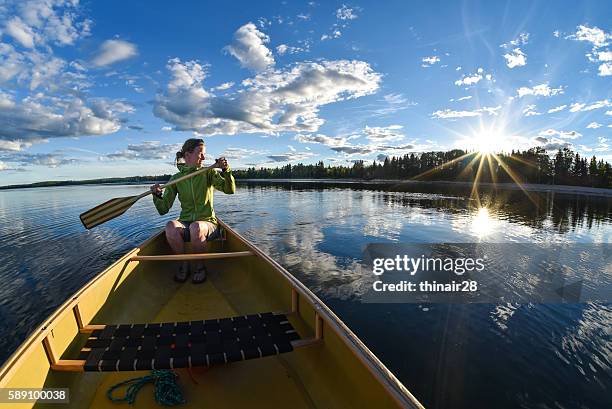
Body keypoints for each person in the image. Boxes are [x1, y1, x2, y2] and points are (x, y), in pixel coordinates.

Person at [150, 138, 235, 283]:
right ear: (188, 155)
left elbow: (229, 190)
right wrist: (157, 195)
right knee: (170, 226)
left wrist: (226, 171)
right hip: (186, 223)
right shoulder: (176, 179)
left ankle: (200, 267)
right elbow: (163, 209)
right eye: (200, 153)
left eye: (204, 154)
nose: (204, 157)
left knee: (196, 227)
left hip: (208, 223)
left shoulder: (208, 173)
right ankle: (184, 264)